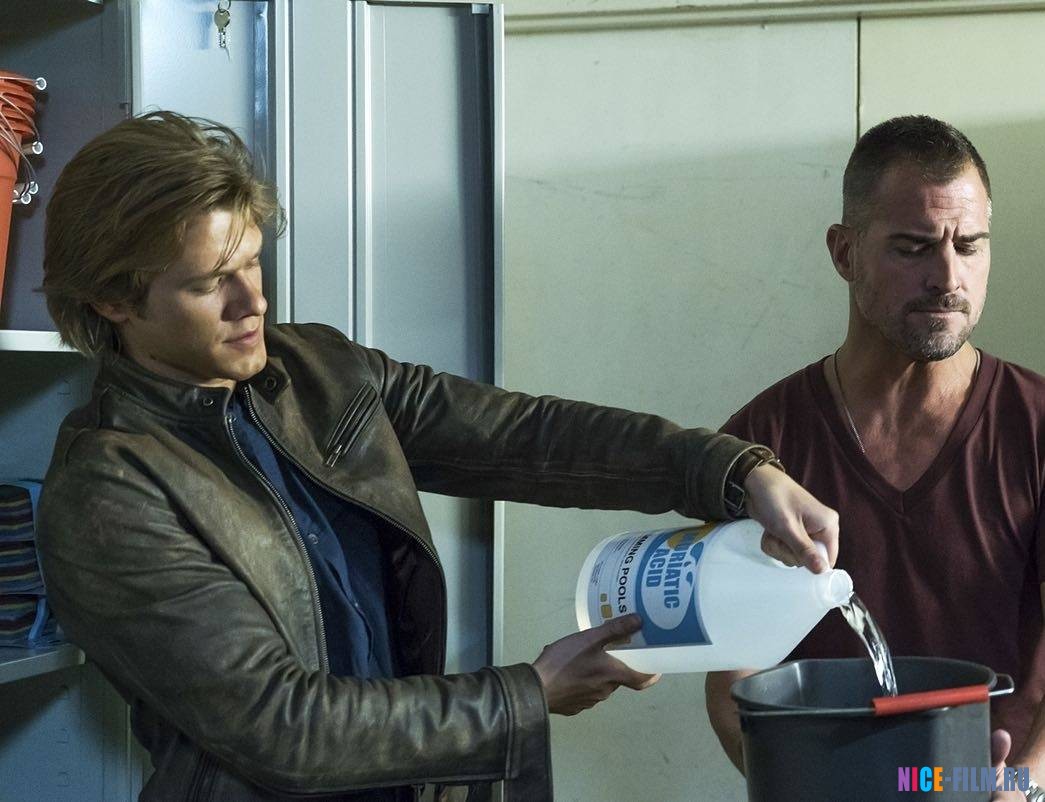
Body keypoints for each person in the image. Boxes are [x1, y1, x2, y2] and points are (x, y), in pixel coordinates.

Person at [34, 111, 838, 802]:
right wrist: (528, 695)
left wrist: (732, 471)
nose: (255, 301)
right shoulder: (108, 491)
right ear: (112, 300)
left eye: (251, 260)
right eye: (211, 282)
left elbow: (524, 436)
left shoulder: (320, 370)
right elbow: (283, 726)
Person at [704, 115, 1045, 802]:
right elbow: (735, 685)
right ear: (844, 252)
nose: (947, 277)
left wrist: (1015, 787)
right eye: (913, 248)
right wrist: (819, 786)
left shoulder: (1035, 428)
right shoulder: (761, 446)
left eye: (969, 246)